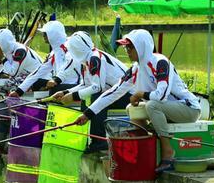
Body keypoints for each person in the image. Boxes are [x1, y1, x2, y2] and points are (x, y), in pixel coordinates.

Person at [70, 29, 201, 172]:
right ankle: (146, 150)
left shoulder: (160, 62)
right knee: (131, 109)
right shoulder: (135, 69)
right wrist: (87, 114)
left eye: (130, 47)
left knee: (152, 105)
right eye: (125, 47)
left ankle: (168, 154)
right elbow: (113, 92)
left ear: (142, 46)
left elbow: (161, 95)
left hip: (188, 108)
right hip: (165, 110)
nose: (127, 50)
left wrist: (139, 94)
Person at [52, 31, 129, 153]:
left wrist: (73, 96)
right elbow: (85, 85)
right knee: (88, 97)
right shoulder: (87, 59)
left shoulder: (94, 59)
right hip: (114, 93)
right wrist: (65, 92)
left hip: (128, 94)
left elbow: (96, 87)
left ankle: (99, 142)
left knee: (96, 96)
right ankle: (88, 137)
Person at [9, 20, 81, 97]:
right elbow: (38, 71)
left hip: (74, 85)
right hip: (60, 83)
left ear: (53, 34)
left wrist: (56, 80)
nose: (43, 36)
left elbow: (70, 64)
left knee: (54, 90)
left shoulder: (70, 48)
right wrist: (19, 91)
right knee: (36, 82)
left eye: (45, 34)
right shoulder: (54, 52)